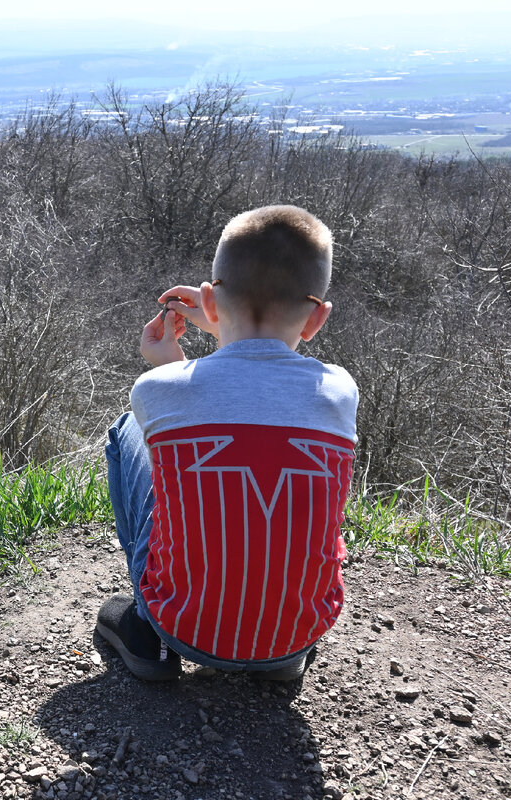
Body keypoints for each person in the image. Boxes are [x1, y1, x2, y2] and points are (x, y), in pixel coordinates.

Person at [96, 205, 359, 682]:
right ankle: (280, 659)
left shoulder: (159, 388)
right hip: (298, 632)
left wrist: (166, 363)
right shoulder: (340, 391)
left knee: (130, 429)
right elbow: (257, 385)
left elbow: (215, 394)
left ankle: (145, 631)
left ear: (209, 302)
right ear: (318, 318)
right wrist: (225, 325)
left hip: (181, 627)